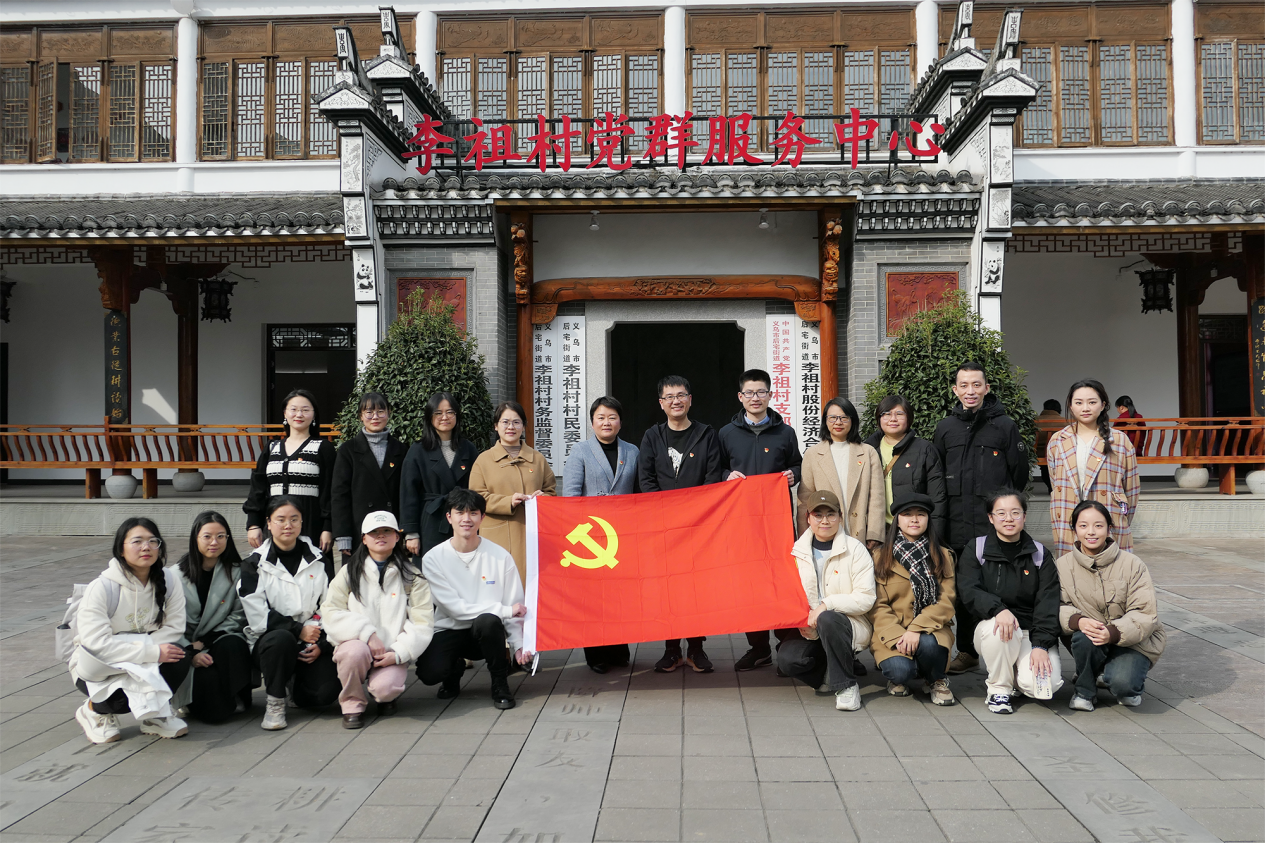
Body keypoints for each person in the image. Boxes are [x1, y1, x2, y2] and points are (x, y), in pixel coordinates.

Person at [934, 362, 1029, 675]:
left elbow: (1018, 474)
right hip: (957, 526)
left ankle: (1009, 648)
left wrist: (1004, 513)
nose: (970, 391)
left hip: (994, 528)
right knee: (964, 589)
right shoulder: (945, 428)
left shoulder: (1005, 427)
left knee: (1002, 586)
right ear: (955, 390)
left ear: (987, 388)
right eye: (964, 385)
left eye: (976, 384)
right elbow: (937, 475)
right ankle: (968, 651)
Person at [69, 517, 188, 744]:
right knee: (122, 698)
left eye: (153, 541)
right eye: (137, 541)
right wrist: (150, 653)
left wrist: (149, 654)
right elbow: (97, 644)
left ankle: (156, 715)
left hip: (143, 656)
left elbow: (175, 627)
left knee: (179, 655)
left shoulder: (169, 580)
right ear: (121, 549)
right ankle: (94, 710)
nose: (146, 547)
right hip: (103, 664)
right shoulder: (102, 588)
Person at [638, 375, 723, 674]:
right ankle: (671, 649)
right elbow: (646, 479)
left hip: (698, 526)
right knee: (668, 588)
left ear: (690, 399)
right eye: (669, 397)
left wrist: (694, 513)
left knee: (697, 588)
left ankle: (697, 649)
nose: (676, 401)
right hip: (663, 527)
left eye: (681, 395)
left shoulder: (706, 434)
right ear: (661, 403)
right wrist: (666, 513)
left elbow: (713, 477)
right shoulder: (652, 436)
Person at [719, 368, 803, 673]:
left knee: (781, 579)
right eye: (749, 393)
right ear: (740, 397)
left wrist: (794, 474)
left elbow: (798, 464)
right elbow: (717, 469)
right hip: (741, 522)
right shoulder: (726, 434)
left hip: (777, 522)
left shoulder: (785, 432)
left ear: (770, 395)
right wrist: (726, 476)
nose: (755, 398)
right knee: (749, 584)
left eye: (761, 392)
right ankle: (758, 648)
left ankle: (787, 646)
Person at [417, 489, 531, 710]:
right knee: (429, 673)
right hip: (449, 629)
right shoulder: (433, 558)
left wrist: (518, 645)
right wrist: (505, 610)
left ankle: (499, 683)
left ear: (482, 517)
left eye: (473, 513)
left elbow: (515, 602)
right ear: (449, 517)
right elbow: (455, 609)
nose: (466, 519)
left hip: (486, 633)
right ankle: (454, 670)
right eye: (459, 513)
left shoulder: (500, 556)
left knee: (488, 621)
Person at [321, 511, 433, 729]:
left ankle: (384, 696)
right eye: (374, 532)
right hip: (356, 645)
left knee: (385, 689)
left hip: (391, 650)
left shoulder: (412, 576)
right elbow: (330, 611)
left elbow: (423, 622)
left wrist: (399, 653)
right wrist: (367, 634)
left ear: (397, 537)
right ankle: (352, 703)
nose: (380, 536)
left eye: (387, 531)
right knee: (353, 654)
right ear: (364, 538)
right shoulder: (348, 572)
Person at [957, 488, 1062, 714]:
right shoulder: (977, 549)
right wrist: (998, 610)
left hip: (1030, 632)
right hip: (991, 628)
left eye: (1015, 512)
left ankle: (1016, 673)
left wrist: (1040, 645)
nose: (1009, 519)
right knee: (1001, 629)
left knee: (1043, 687)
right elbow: (969, 590)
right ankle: (999, 689)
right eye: (1001, 513)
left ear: (1024, 516)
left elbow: (1048, 602)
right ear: (990, 517)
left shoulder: (1040, 554)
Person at [238, 495, 339, 730]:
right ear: (268, 523)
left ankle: (295, 686)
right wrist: (298, 630)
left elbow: (330, 604)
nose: (288, 525)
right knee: (281, 639)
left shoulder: (319, 560)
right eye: (280, 519)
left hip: (310, 637)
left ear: (302, 522)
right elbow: (258, 615)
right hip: (269, 641)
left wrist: (320, 641)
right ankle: (275, 701)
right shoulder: (254, 564)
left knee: (324, 694)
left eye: (294, 519)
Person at [1058, 500, 1165, 711]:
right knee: (1083, 636)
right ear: (1074, 530)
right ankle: (1084, 692)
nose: (1091, 532)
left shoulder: (1132, 564)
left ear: (1109, 529)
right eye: (1083, 525)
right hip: (1089, 639)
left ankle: (1118, 679)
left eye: (1098, 525)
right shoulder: (1062, 565)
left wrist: (1113, 632)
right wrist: (1078, 621)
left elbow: (1144, 613)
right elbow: (1057, 605)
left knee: (1124, 687)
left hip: (1133, 641)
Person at [778, 491, 874, 712]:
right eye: (818, 515)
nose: (825, 521)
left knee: (828, 618)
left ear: (840, 517)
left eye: (831, 514)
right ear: (808, 518)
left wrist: (826, 605)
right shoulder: (795, 551)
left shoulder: (855, 549)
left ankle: (847, 685)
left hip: (846, 623)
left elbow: (866, 598)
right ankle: (827, 673)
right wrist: (803, 618)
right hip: (809, 626)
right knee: (787, 660)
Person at [563, 396, 639, 674]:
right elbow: (571, 495)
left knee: (620, 595)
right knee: (593, 597)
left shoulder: (632, 451)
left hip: (622, 534)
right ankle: (595, 654)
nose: (607, 422)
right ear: (592, 422)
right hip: (591, 536)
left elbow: (639, 493)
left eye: (612, 417)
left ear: (620, 422)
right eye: (601, 417)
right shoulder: (580, 450)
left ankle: (619, 649)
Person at [869, 493, 957, 706]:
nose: (914, 519)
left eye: (921, 514)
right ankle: (905, 673)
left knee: (929, 645)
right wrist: (900, 635)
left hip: (931, 628)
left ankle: (936, 679)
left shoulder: (943, 555)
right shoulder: (880, 556)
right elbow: (877, 605)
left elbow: (946, 600)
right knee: (900, 671)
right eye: (907, 514)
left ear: (928, 519)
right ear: (897, 520)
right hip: (893, 631)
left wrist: (916, 629)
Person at [171, 511, 252, 724]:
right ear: (195, 538)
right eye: (207, 536)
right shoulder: (174, 576)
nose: (214, 542)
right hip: (185, 646)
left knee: (234, 643)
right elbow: (168, 624)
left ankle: (235, 694)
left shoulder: (237, 572)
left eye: (221, 536)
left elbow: (238, 615)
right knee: (215, 714)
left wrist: (205, 642)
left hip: (217, 640)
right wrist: (191, 652)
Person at [1045, 379, 1139, 557]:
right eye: (1079, 402)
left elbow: (1132, 489)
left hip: (1107, 518)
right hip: (1068, 516)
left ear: (1103, 405)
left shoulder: (1119, 441)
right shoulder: (1058, 440)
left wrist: (1120, 517)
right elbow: (1055, 481)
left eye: (1092, 402)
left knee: (1110, 568)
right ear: (1071, 406)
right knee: (1072, 569)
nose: (1085, 408)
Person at [244, 388, 336, 565]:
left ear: (314, 415)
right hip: (276, 525)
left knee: (312, 573)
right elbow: (258, 488)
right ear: (285, 414)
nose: (299, 414)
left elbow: (330, 491)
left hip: (311, 525)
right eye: (293, 409)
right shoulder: (272, 448)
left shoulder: (323, 448)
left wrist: (328, 528)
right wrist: (253, 524)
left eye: (305, 410)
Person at [469, 400, 557, 585]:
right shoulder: (483, 460)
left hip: (532, 534)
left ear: (523, 426)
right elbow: (476, 497)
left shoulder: (537, 459)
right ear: (496, 426)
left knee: (532, 585)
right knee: (498, 585)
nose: (511, 427)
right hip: (497, 535)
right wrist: (507, 502)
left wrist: (544, 499)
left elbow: (551, 491)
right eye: (505, 422)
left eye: (516, 422)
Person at [331, 392, 407, 570]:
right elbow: (339, 495)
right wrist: (343, 536)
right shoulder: (348, 450)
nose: (375, 417)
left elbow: (406, 493)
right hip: (359, 531)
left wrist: (406, 531)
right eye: (369, 412)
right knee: (358, 580)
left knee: (392, 579)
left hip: (391, 530)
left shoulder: (401, 449)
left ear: (388, 413)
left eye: (381, 411)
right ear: (360, 416)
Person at [400, 392, 480, 557]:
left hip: (463, 521)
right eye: (438, 413)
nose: (445, 417)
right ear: (430, 417)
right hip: (431, 521)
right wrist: (411, 533)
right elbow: (408, 493)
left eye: (450, 412)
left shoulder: (468, 449)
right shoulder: (418, 450)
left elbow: (477, 488)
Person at [799, 397, 884, 547]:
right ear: (825, 421)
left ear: (853, 421)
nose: (838, 422)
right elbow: (805, 500)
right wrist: (805, 536)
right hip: (823, 533)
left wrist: (874, 533)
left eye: (844, 418)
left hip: (859, 532)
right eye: (832, 417)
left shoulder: (868, 452)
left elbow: (876, 497)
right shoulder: (812, 454)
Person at [864, 395, 948, 539]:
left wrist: (935, 538)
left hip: (914, 532)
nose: (893, 419)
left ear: (909, 418)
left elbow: (937, 497)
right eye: (887, 414)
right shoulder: (867, 450)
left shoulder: (925, 450)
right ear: (879, 418)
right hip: (877, 533)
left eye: (899, 414)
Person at [1035, 399, 1063, 494]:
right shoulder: (1065, 422)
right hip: (1059, 454)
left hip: (1039, 454)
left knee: (1044, 467)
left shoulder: (1034, 421)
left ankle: (1050, 487)